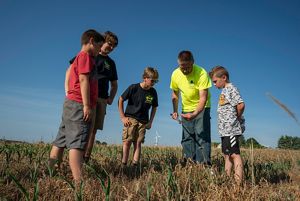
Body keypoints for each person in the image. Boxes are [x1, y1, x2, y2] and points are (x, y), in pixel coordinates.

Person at [49, 29, 104, 182]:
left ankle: (52, 171)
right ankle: (79, 181)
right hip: (79, 104)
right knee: (77, 144)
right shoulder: (85, 56)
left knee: (60, 140)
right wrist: (87, 105)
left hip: (71, 103)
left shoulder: (79, 57)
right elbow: (83, 80)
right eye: (99, 46)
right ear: (91, 41)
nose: (100, 50)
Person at [66, 31, 119, 162]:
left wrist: (111, 98)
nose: (111, 48)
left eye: (114, 46)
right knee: (82, 129)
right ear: (101, 41)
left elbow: (114, 84)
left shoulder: (111, 63)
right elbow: (71, 70)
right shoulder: (89, 54)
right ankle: (76, 159)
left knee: (93, 131)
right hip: (84, 98)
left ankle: (86, 159)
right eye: (109, 44)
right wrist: (67, 90)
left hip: (101, 99)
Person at [170, 50, 212, 165]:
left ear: (192, 62)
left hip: (202, 108)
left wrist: (194, 114)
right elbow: (175, 94)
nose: (184, 70)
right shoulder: (175, 74)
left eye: (187, 67)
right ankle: (189, 164)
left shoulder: (201, 73)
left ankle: (203, 165)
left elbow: (203, 98)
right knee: (187, 138)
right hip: (186, 108)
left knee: (201, 136)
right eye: (181, 67)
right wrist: (175, 111)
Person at [209, 65, 245, 184]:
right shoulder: (225, 91)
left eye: (215, 81)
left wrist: (237, 118)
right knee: (226, 155)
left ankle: (238, 185)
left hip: (231, 129)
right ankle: (226, 180)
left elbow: (240, 105)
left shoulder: (231, 88)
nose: (214, 84)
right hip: (224, 130)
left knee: (234, 155)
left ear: (224, 77)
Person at [118, 67, 159, 166]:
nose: (153, 83)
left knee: (138, 143)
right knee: (127, 142)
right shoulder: (133, 88)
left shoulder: (153, 92)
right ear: (145, 78)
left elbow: (154, 107)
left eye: (155, 81)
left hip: (143, 121)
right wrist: (122, 117)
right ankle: (123, 165)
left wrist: (150, 122)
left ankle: (134, 165)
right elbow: (120, 99)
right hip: (130, 119)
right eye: (152, 80)